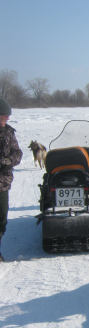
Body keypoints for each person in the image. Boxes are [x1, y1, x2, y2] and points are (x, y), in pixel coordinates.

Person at [0, 98, 22, 261]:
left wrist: (8, 161)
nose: (7, 118)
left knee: (1, 220)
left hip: (2, 184)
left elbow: (17, 153)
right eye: (4, 116)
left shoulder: (9, 132)